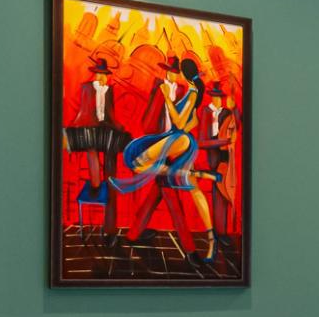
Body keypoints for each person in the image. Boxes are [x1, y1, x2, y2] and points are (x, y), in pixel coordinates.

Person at [112, 59, 216, 264]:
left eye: (175, 72)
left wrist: (170, 104)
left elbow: (185, 120)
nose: (172, 75)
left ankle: (187, 249)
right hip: (162, 143)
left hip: (172, 148)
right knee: (162, 194)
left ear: (181, 75)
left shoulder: (183, 92)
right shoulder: (162, 89)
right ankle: (138, 236)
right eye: (169, 71)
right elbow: (150, 121)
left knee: (166, 197)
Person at [62, 60, 123, 228]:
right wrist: (77, 124)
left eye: (104, 75)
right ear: (95, 74)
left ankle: (108, 185)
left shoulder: (110, 91)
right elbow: (83, 110)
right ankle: (96, 185)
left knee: (111, 151)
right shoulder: (86, 88)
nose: (102, 78)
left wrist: (116, 125)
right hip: (89, 124)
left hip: (106, 126)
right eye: (100, 74)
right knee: (91, 148)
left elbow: (110, 112)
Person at [195, 83, 239, 239]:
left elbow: (238, 126)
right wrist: (223, 142)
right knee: (216, 192)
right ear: (212, 97)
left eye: (221, 97)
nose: (219, 100)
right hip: (213, 157)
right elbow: (201, 142)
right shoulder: (206, 112)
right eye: (217, 97)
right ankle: (218, 232)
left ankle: (223, 232)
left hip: (227, 156)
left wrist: (234, 109)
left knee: (225, 191)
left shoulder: (227, 112)